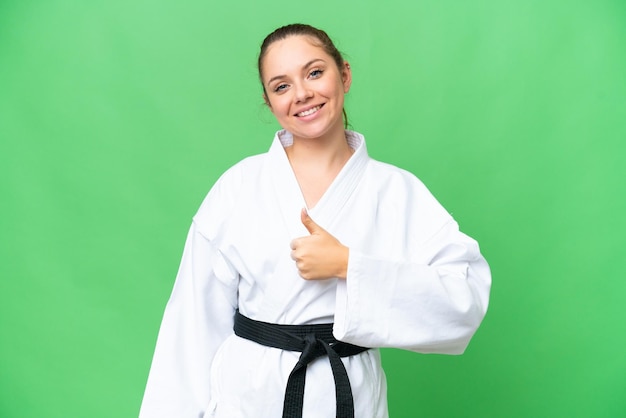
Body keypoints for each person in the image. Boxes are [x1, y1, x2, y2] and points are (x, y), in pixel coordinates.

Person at [139, 23, 491, 418]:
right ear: (269, 102)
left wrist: (348, 266)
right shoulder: (238, 187)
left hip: (348, 396)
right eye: (281, 86)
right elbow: (191, 327)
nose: (302, 93)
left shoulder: (395, 191)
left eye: (314, 72)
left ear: (344, 74)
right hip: (252, 398)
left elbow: (464, 300)